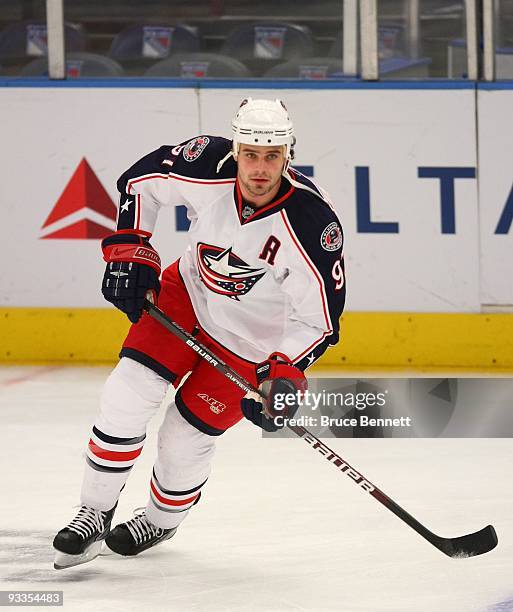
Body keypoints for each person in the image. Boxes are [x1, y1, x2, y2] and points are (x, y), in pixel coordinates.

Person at [52, 98, 346, 569]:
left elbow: (321, 322)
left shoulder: (313, 224)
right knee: (127, 395)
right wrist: (131, 246)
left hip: (248, 345)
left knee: (184, 437)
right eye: (250, 153)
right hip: (184, 298)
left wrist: (285, 374)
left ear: (289, 154)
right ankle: (93, 510)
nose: (259, 168)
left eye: (272, 156)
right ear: (235, 148)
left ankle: (160, 519)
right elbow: (138, 184)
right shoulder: (206, 162)